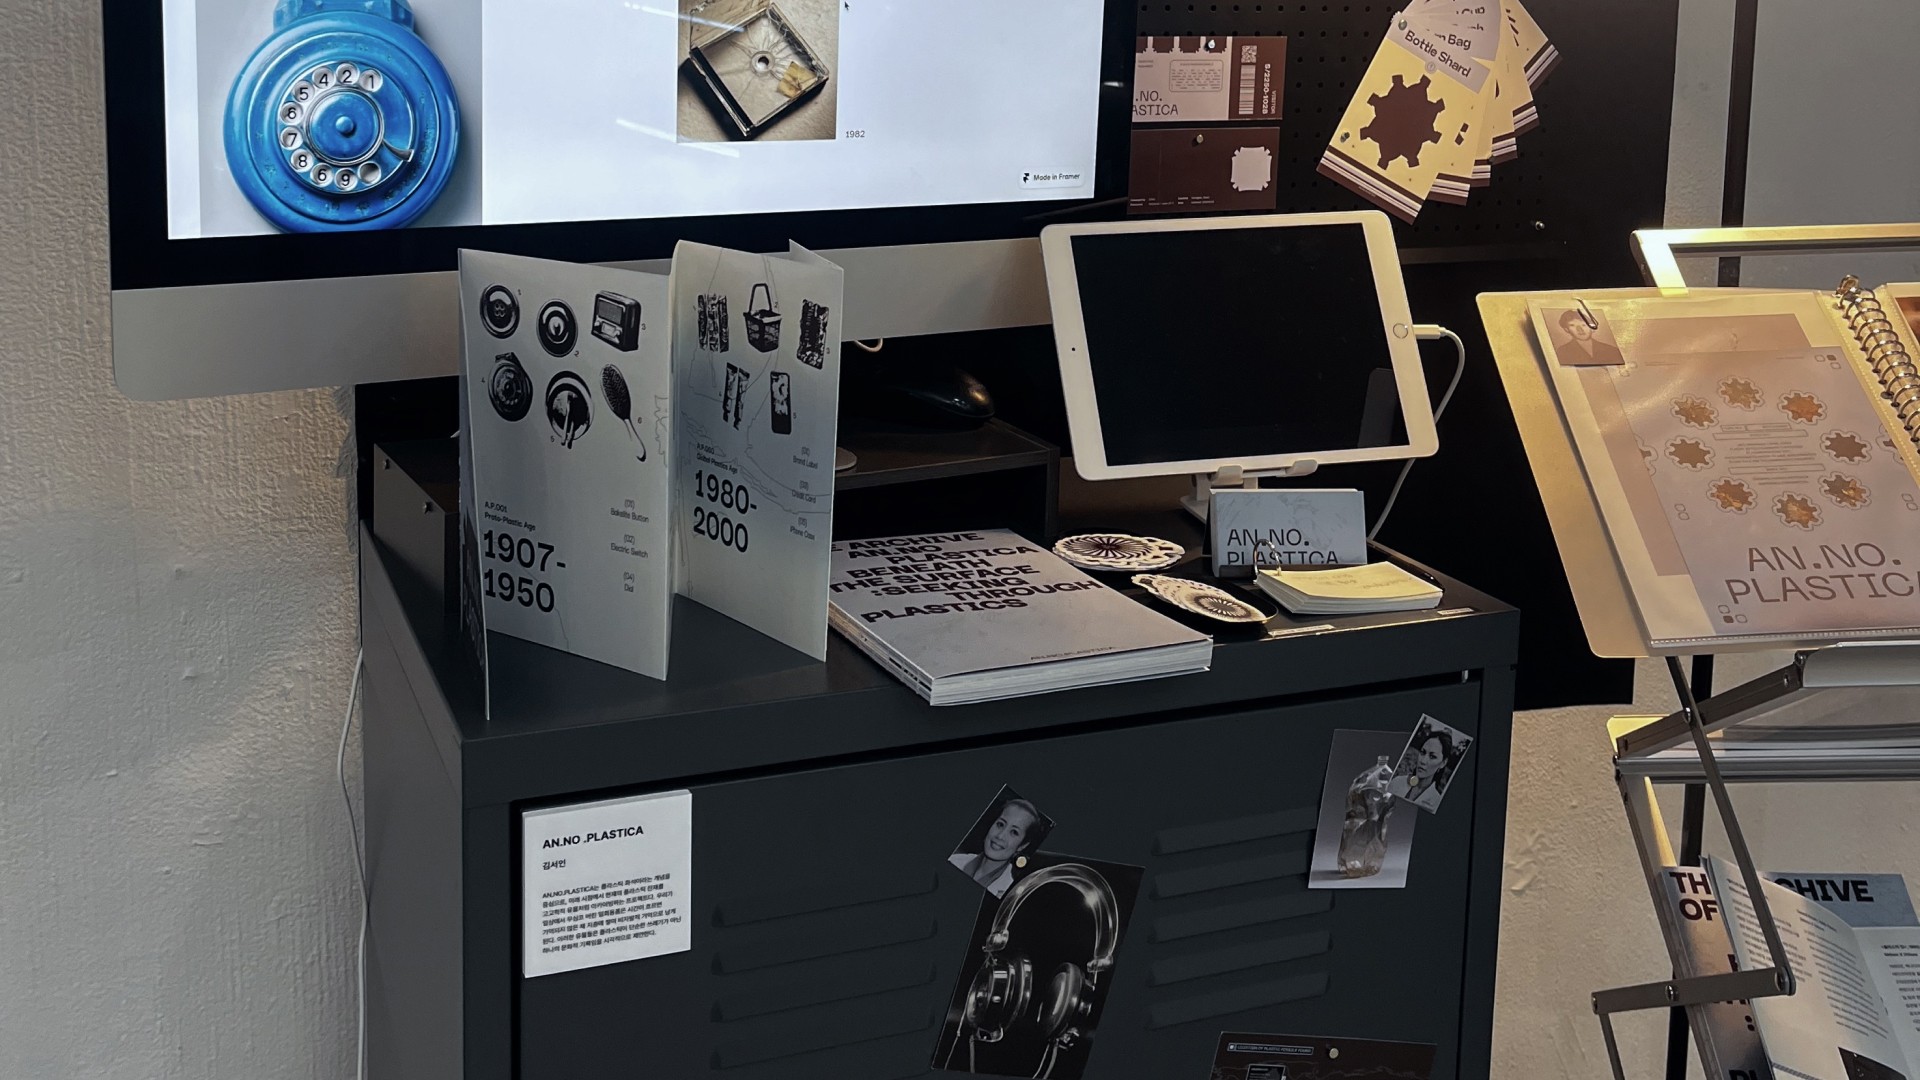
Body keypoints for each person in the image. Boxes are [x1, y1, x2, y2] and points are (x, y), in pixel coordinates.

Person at [949, 798, 1043, 897]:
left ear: (1022, 845)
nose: (1000, 836)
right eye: (1000, 824)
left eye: (1014, 832)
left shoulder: (1007, 894)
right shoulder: (955, 860)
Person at [1389, 727, 1459, 811]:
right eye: (1422, 752)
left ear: (1443, 763)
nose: (1423, 761)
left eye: (1432, 756)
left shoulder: (1436, 803)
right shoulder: (1397, 782)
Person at [1552, 308, 1624, 366]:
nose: (1580, 330)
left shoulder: (1611, 350)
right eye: (1572, 325)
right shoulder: (1562, 352)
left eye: (1584, 325)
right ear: (1566, 329)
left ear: (1591, 327)